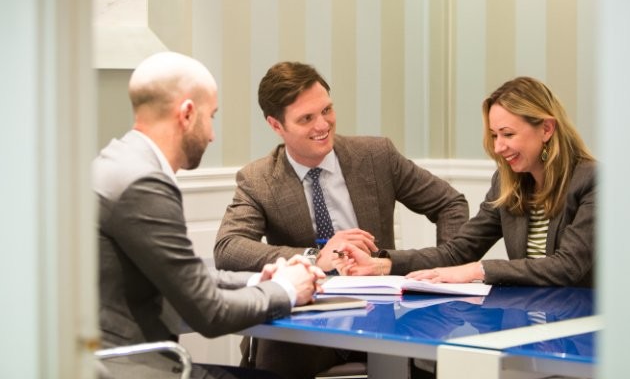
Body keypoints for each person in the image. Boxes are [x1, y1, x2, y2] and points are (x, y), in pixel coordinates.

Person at [213, 61, 469, 379]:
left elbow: (450, 204)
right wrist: (313, 259)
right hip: (308, 317)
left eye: (327, 110)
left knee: (437, 350)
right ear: (276, 126)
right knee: (276, 352)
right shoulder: (259, 179)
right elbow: (228, 247)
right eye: (306, 118)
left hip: (383, 311)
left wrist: (447, 272)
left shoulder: (377, 156)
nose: (323, 125)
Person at [93, 52, 324, 379]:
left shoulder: (118, 161)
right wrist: (286, 290)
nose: (212, 135)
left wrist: (259, 279)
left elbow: (184, 274)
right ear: (187, 113)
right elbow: (209, 314)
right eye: (211, 116)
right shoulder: (143, 183)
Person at [336, 76, 596, 288]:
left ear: (547, 129)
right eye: (494, 135)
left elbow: (568, 266)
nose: (498, 147)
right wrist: (381, 264)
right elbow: (457, 252)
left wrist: (477, 270)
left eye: (508, 134)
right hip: (530, 315)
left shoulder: (592, 181)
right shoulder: (507, 184)